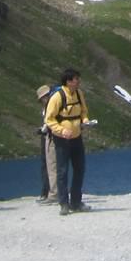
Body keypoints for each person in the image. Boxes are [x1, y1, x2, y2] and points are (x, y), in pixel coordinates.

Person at [44, 67, 93, 215]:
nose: (78, 82)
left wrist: (85, 120)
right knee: (62, 171)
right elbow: (49, 119)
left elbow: (83, 111)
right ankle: (64, 203)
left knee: (79, 169)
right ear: (68, 81)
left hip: (77, 137)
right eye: (76, 79)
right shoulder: (57, 97)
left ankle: (76, 202)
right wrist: (61, 130)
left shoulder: (79, 94)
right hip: (62, 140)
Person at [35, 83, 60, 204]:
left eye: (42, 99)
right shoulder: (58, 102)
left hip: (52, 137)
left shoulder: (51, 105)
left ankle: (53, 193)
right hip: (58, 135)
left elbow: (49, 122)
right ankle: (54, 192)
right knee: (54, 165)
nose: (42, 101)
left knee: (51, 166)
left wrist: (43, 130)